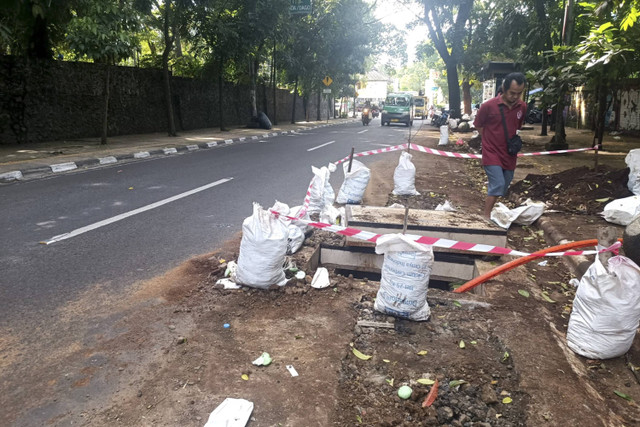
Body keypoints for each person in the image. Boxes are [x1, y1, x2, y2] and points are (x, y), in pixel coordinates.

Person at [474, 72, 527, 219]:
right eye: (512, 93)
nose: (515, 96)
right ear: (504, 88)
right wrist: (489, 139)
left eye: (519, 93)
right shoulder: (488, 106)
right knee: (497, 184)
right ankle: (485, 216)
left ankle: (491, 209)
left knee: (504, 186)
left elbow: (519, 125)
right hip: (491, 152)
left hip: (510, 153)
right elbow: (478, 125)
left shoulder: (522, 107)